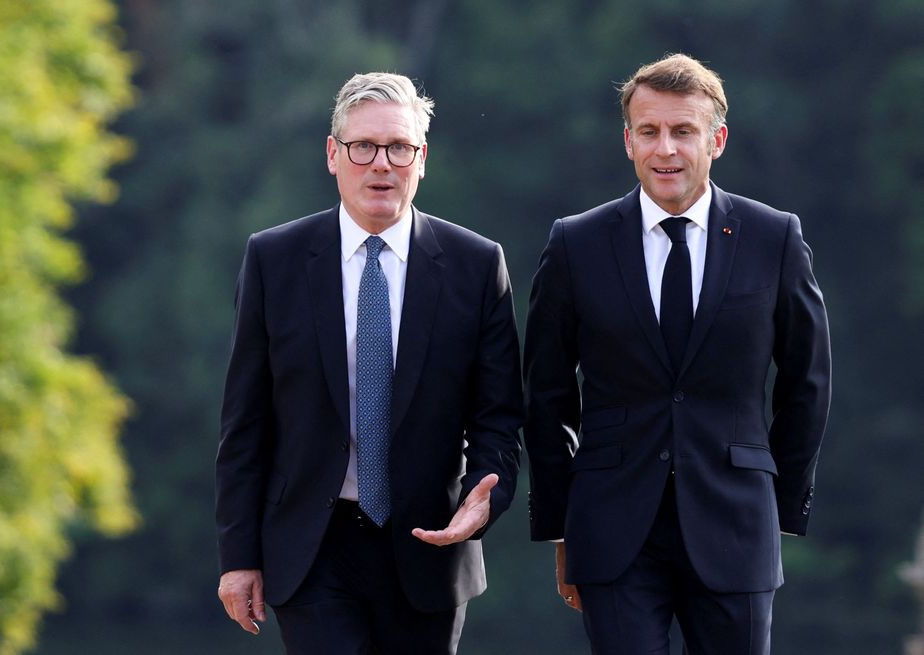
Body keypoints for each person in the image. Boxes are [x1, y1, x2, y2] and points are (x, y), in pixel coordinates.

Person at [523, 53, 831, 654]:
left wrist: (778, 505)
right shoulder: (575, 244)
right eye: (650, 131)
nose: (666, 149)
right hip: (612, 529)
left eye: (683, 131)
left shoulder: (775, 239)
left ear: (715, 139)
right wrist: (562, 525)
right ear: (628, 141)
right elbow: (547, 394)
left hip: (737, 520)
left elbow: (807, 383)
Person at [215, 72, 522, 654]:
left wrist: (486, 499)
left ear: (421, 158)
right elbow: (245, 422)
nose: (381, 163)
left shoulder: (476, 266)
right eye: (363, 147)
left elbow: (499, 417)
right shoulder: (274, 260)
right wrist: (239, 557)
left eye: (399, 147)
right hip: (311, 544)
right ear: (334, 154)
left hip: (430, 544)